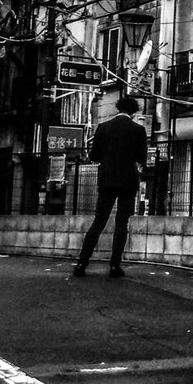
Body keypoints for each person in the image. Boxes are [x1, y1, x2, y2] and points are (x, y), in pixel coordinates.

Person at [72, 95, 148, 278]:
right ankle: (115, 265)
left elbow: (94, 156)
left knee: (99, 221)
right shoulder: (138, 129)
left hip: (107, 180)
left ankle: (82, 263)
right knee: (122, 223)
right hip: (128, 181)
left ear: (118, 108)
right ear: (134, 111)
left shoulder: (103, 128)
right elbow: (142, 157)